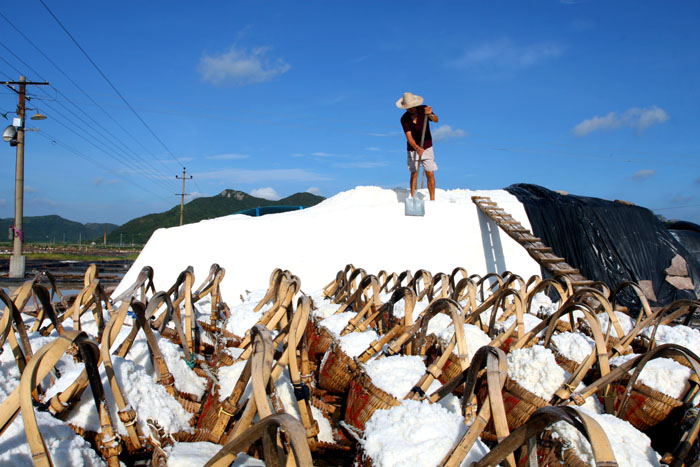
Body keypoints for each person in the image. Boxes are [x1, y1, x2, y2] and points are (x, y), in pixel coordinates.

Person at [396, 91, 438, 200]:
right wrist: (416, 148)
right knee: (414, 173)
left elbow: (436, 120)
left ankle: (432, 199)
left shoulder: (424, 110)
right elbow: (409, 137)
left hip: (427, 146)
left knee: (430, 173)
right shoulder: (404, 119)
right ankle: (413, 197)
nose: (409, 109)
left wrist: (430, 114)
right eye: (407, 107)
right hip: (413, 148)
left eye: (411, 107)